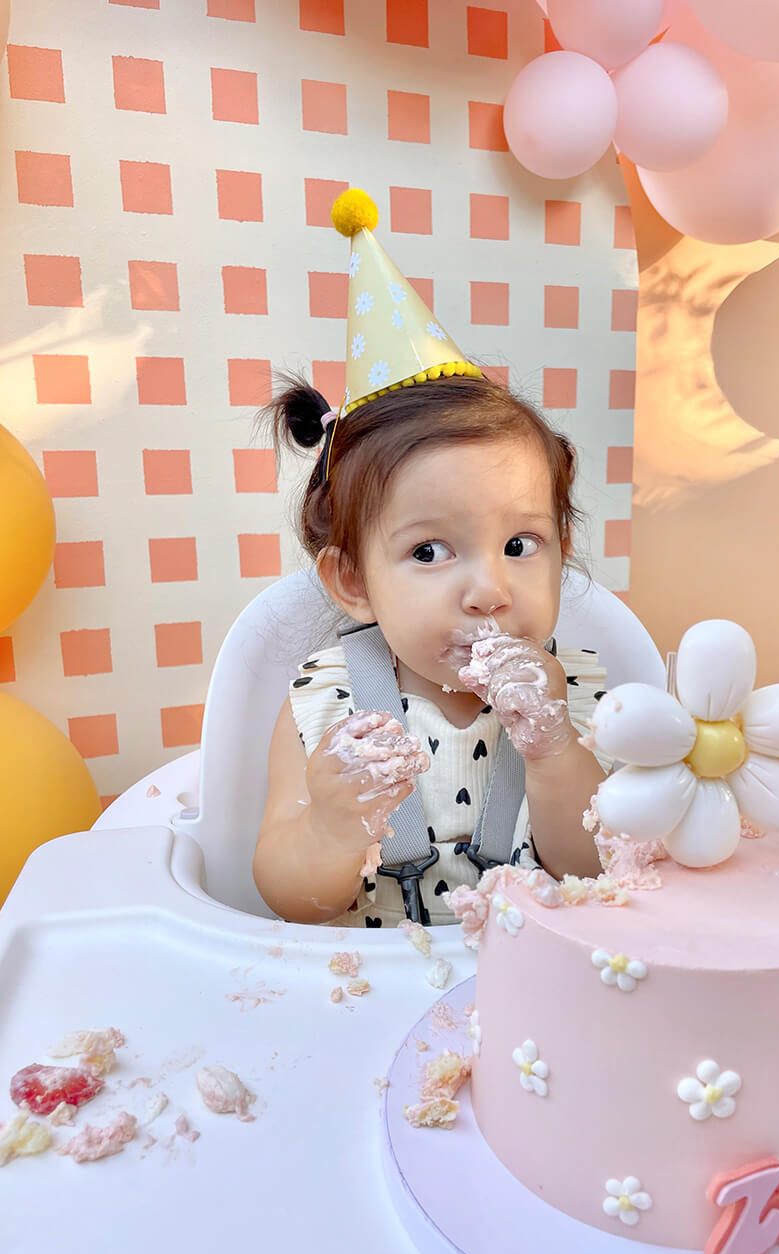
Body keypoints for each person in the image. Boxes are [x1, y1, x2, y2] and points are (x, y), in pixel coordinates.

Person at [252, 190, 610, 929]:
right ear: (354, 581)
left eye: (520, 545)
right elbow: (289, 899)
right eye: (428, 551)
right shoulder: (327, 701)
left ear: (561, 551)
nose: (488, 589)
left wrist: (553, 753)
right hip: (372, 989)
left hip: (541, 982)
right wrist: (329, 828)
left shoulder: (571, 691)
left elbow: (597, 867)